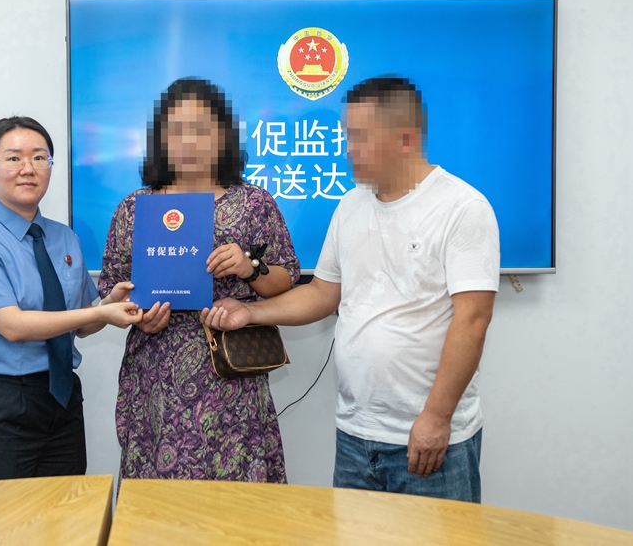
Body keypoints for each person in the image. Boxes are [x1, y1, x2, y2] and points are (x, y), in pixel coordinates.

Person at [202, 77, 500, 503]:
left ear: (405, 139)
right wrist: (249, 314)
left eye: (360, 137)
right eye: (347, 135)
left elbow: (473, 319)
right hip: (356, 435)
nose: (348, 149)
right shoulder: (351, 205)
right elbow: (324, 294)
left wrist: (436, 417)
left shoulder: (463, 208)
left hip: (428, 436)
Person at [98, 78, 300, 483]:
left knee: (237, 500)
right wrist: (137, 315)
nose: (189, 141)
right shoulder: (134, 208)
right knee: (158, 502)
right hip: (156, 378)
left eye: (201, 129)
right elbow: (112, 291)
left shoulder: (254, 203)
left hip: (233, 379)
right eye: (176, 130)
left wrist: (249, 267)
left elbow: (285, 279)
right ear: (160, 139)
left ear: (223, 136)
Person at [0, 116, 141, 483]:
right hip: (1, 403)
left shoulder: (65, 237)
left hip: (62, 400)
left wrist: (106, 305)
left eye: (40, 157)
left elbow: (81, 324)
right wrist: (99, 313)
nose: (28, 168)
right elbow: (13, 326)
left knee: (68, 512)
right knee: (1, 517)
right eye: (14, 158)